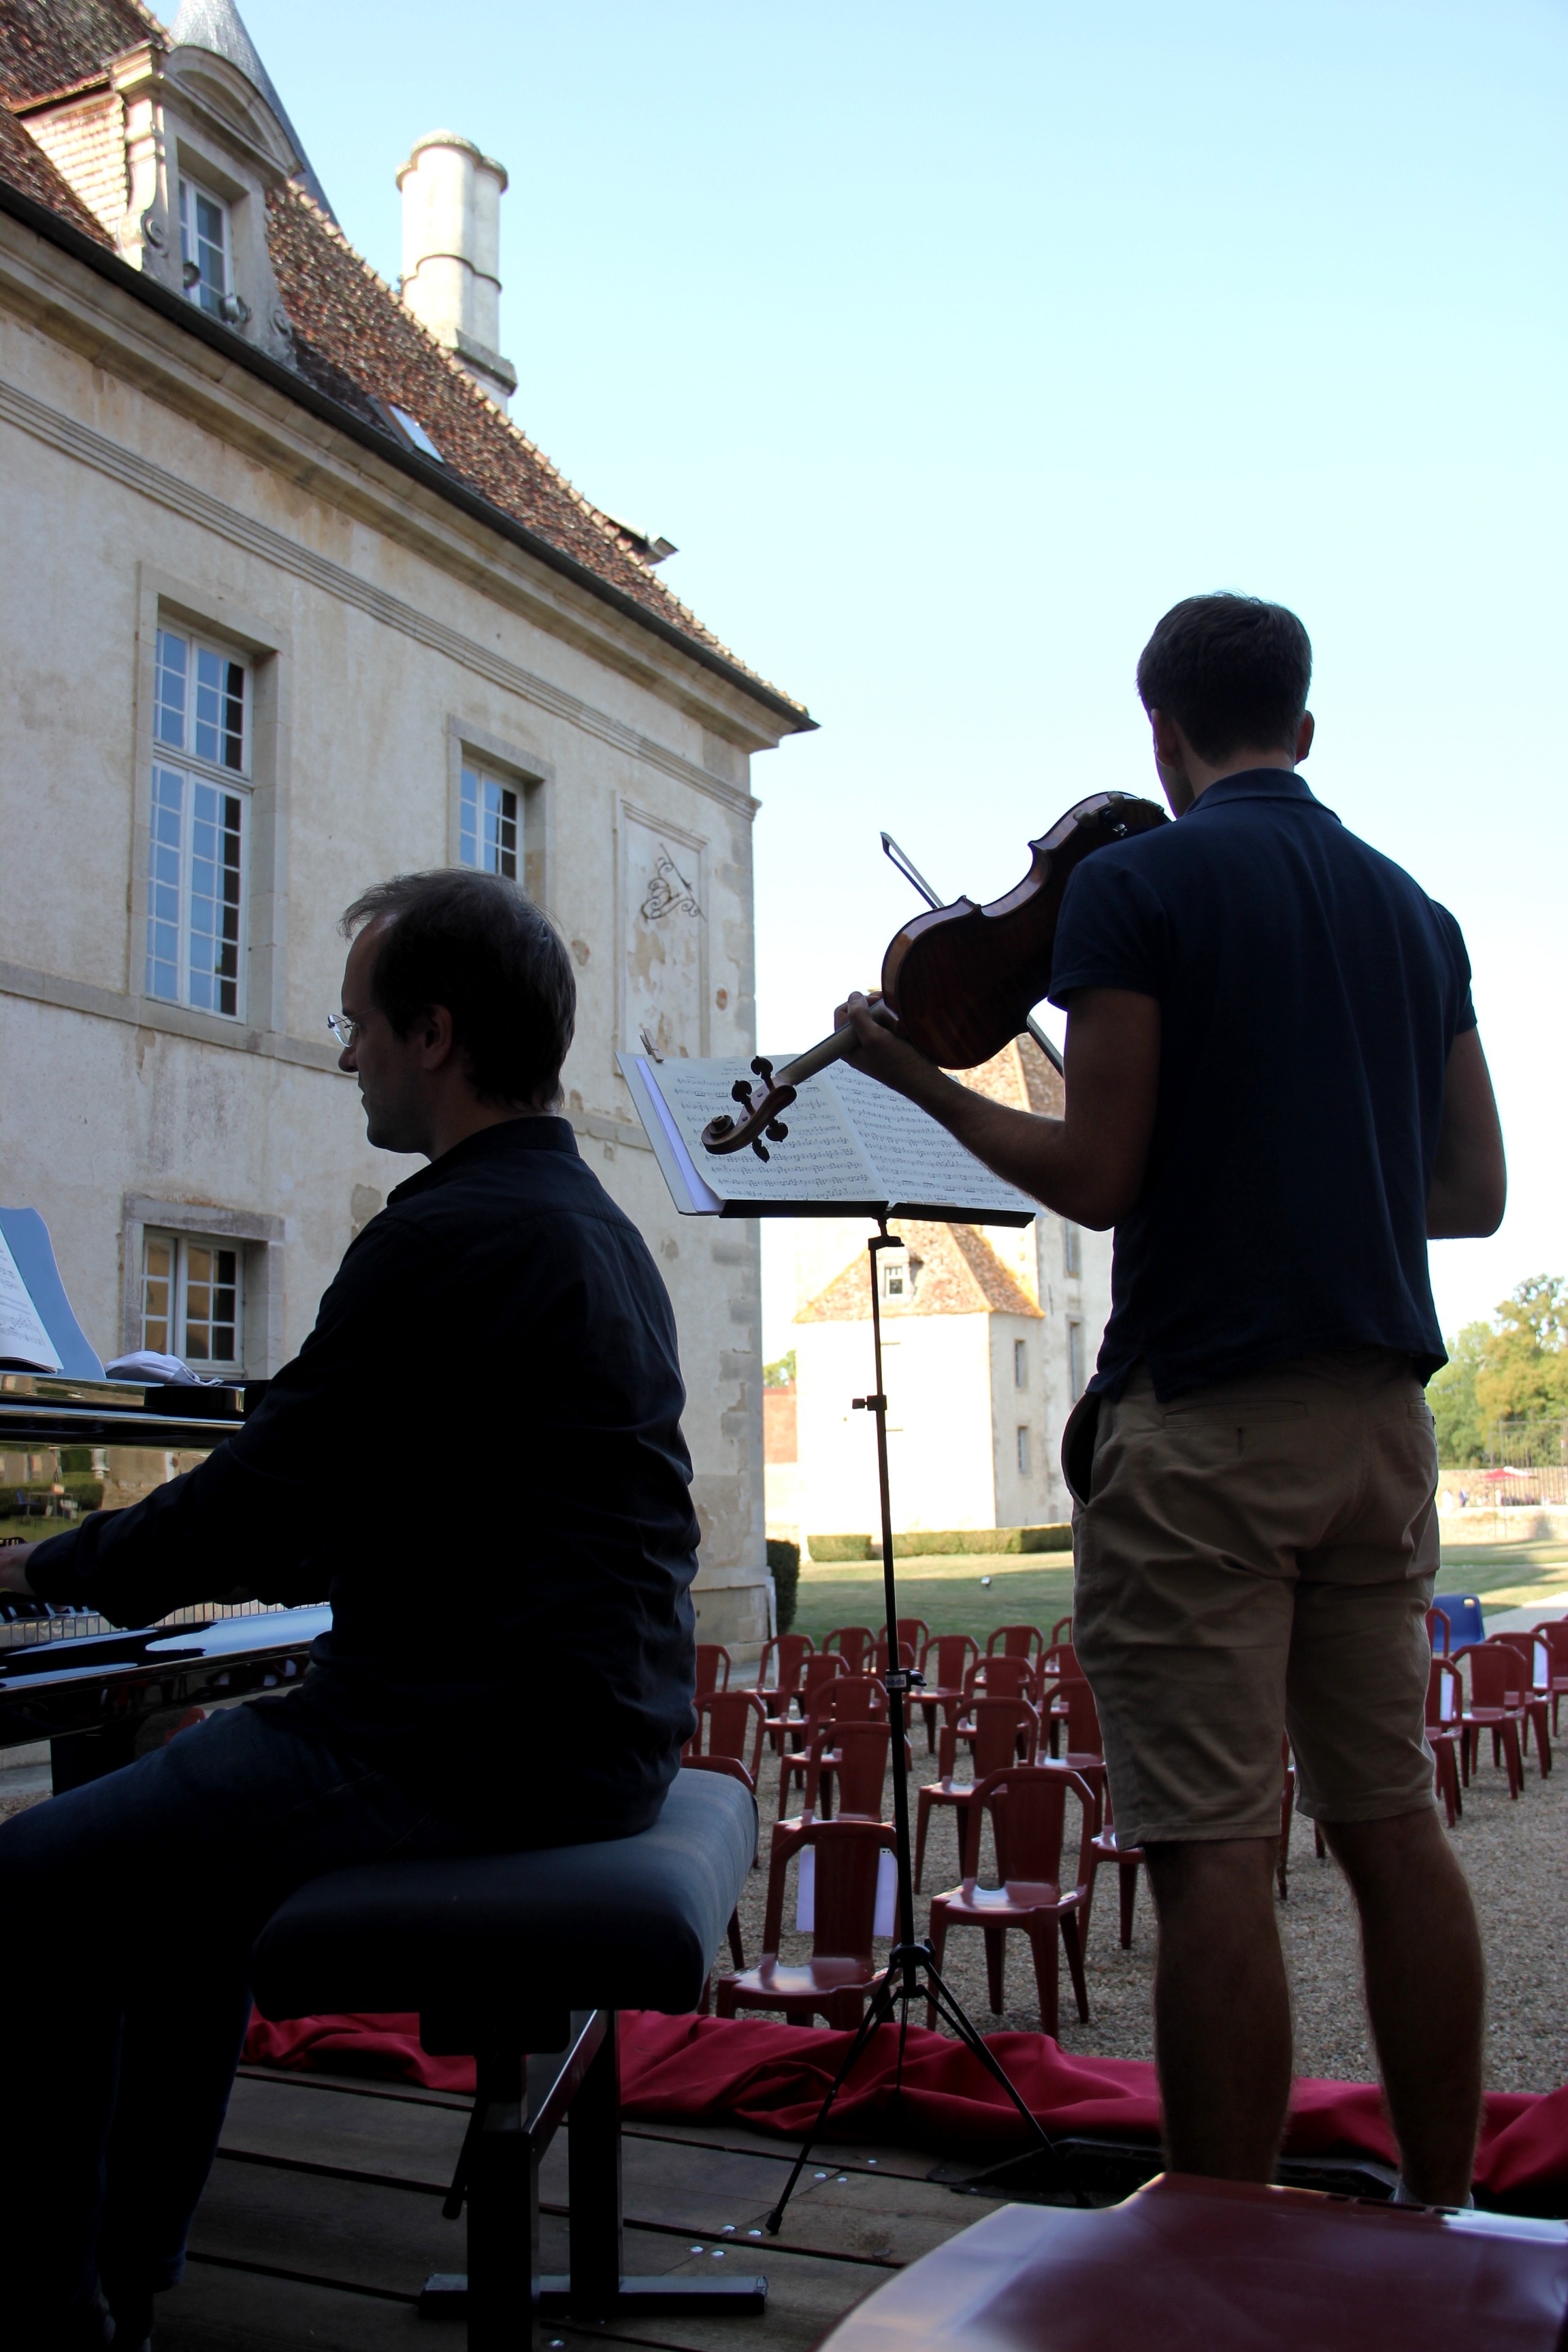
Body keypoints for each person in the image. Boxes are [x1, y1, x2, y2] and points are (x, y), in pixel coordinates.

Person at [836, 593, 1504, 2205]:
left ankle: (1219, 2257)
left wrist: (918, 1080)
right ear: (1307, 725)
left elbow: (1099, 1172)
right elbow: (1473, 1191)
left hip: (1204, 1428)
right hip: (1378, 1434)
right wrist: (1312, 1169)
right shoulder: (1419, 914)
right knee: (1393, 1827)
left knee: (1216, 1856)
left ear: (1160, 732)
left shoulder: (1137, 885)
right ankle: (1445, 2206)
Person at [0, 869, 700, 2349]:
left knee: (28, 1892)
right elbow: (403, 1511)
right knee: (179, 1881)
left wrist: (44, 1568)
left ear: (432, 1034)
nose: (344, 1055)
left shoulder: (447, 1237)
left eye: (359, 1024)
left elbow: (266, 1504)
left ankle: (51, 2305)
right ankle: (133, 2270)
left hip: (462, 1745)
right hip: (589, 1724)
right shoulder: (592, 1228)